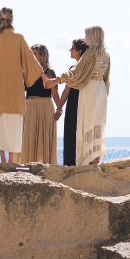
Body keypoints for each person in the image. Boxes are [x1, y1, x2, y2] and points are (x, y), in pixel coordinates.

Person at [0, 7, 44, 163]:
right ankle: (11, 159)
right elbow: (31, 63)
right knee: (12, 125)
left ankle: (3, 158)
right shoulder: (19, 38)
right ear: (12, 19)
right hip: (14, 89)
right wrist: (42, 76)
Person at [44, 26, 110, 165]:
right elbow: (106, 76)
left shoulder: (91, 52)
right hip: (101, 90)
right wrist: (106, 92)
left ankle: (85, 159)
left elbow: (77, 71)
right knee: (96, 122)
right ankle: (95, 158)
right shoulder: (105, 53)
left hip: (90, 88)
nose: (85, 38)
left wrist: (57, 80)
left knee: (85, 123)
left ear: (92, 35)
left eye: (87, 35)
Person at [18, 44, 60, 164]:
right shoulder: (25, 71)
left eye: (34, 53)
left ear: (42, 56)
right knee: (28, 139)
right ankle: (27, 166)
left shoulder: (49, 72)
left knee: (44, 138)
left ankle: (46, 166)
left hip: (45, 107)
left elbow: (55, 93)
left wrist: (59, 109)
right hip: (29, 107)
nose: (31, 56)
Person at [56, 39, 89, 166]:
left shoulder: (87, 70)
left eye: (73, 48)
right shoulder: (72, 69)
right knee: (70, 134)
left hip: (83, 105)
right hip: (72, 105)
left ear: (80, 51)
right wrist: (58, 108)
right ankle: (70, 165)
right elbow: (66, 91)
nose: (70, 50)